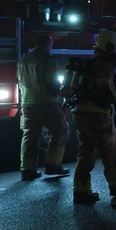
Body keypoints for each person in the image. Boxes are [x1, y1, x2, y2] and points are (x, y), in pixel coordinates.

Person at [71, 30, 116, 204]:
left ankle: (81, 190)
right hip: (96, 114)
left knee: (87, 152)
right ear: (109, 46)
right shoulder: (105, 64)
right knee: (111, 149)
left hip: (80, 112)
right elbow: (107, 89)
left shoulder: (91, 63)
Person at [17, 34, 70, 181]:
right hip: (45, 102)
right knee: (61, 130)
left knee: (30, 136)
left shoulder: (23, 60)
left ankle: (27, 170)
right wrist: (63, 94)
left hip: (27, 104)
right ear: (48, 44)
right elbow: (52, 82)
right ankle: (53, 164)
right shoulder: (48, 59)